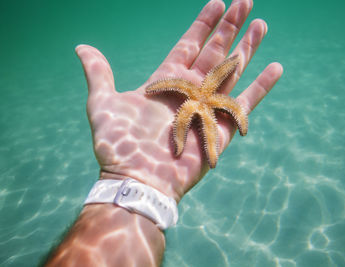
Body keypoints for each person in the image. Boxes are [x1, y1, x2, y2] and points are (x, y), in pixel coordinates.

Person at [44, 0, 283, 266]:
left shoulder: (199, 103)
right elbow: (173, 88)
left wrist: (128, 186)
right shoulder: (192, 100)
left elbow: (232, 111)